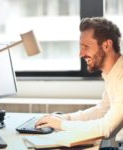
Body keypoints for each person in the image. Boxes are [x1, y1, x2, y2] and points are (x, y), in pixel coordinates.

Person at [35, 17, 123, 149]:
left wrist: (61, 124)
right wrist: (65, 118)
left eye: (86, 47)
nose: (81, 54)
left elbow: (106, 128)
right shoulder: (113, 74)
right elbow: (102, 111)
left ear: (106, 45)